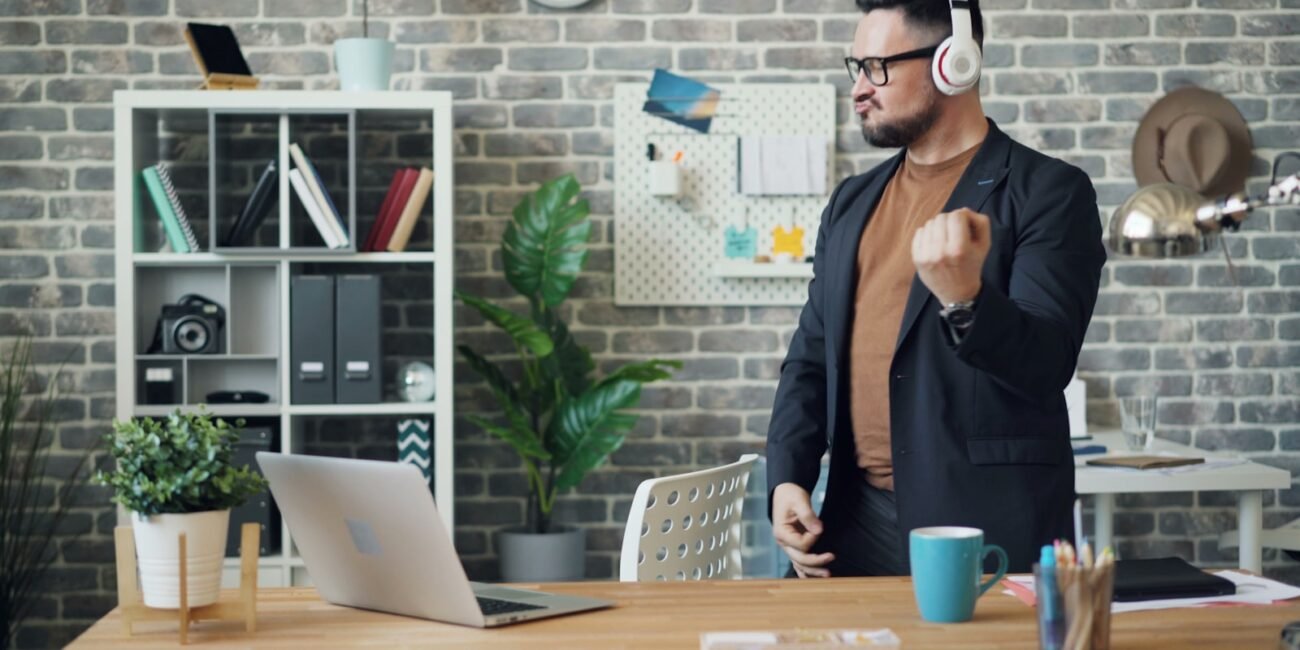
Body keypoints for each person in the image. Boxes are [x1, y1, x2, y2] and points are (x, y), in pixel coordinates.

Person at [765, 0, 1106, 578]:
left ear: (954, 62)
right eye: (857, 67)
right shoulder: (851, 202)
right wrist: (787, 478)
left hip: (979, 528)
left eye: (878, 67)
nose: (858, 90)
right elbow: (809, 361)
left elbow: (1046, 364)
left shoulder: (1050, 192)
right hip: (849, 523)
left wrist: (965, 299)